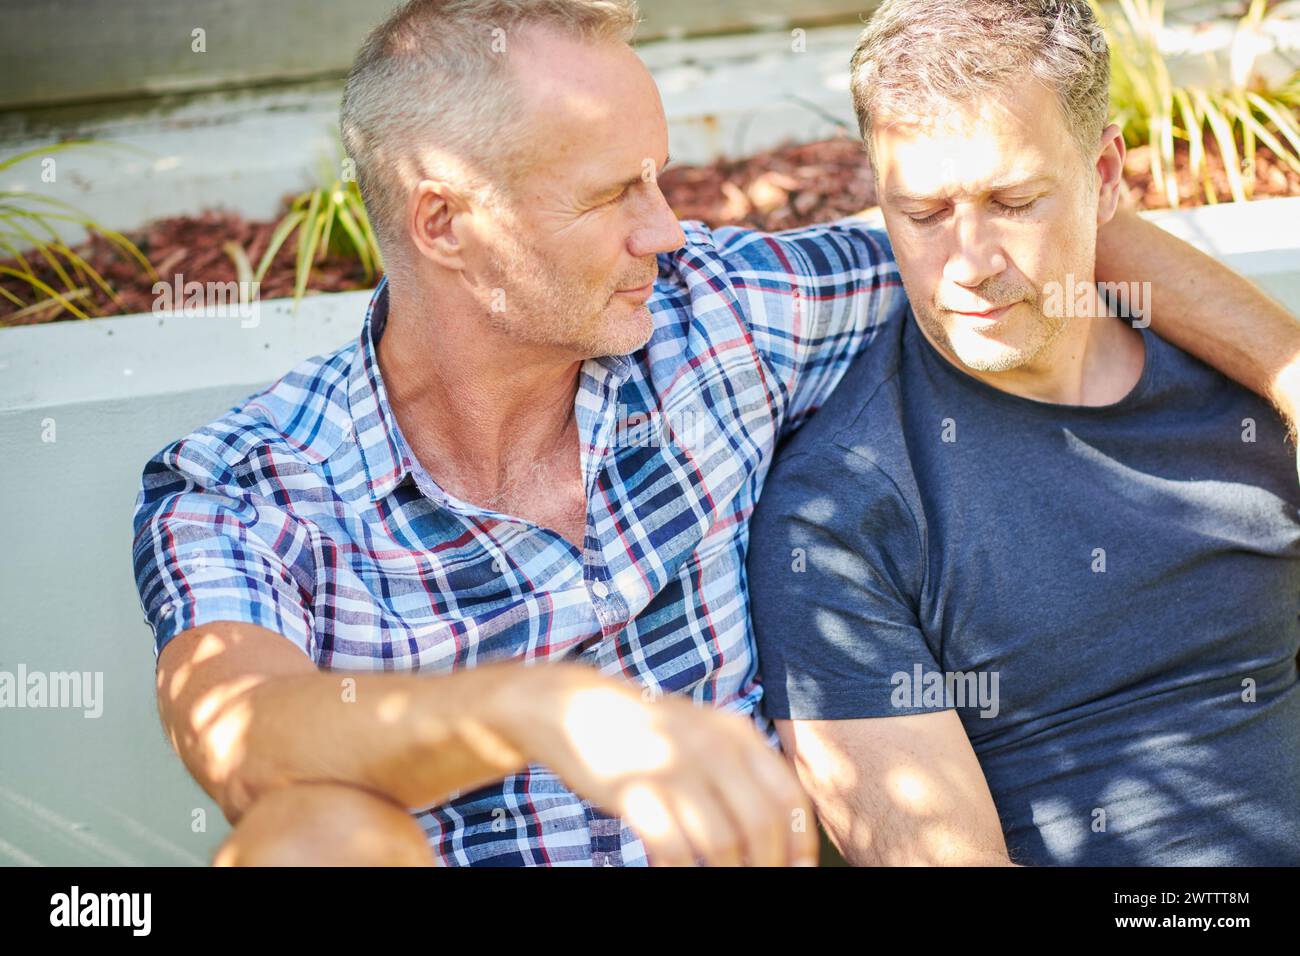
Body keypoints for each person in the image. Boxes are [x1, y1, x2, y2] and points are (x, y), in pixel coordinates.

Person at [133, 0, 1300, 866]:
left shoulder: (714, 321)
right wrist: (538, 707)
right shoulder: (246, 485)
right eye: (613, 195)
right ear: (446, 221)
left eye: (663, 178)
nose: (670, 229)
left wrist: (1286, 370)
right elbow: (246, 739)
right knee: (310, 839)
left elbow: (1015, 222)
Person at [746, 0, 1300, 866]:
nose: (968, 263)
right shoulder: (841, 514)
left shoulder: (1244, 389)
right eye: (923, 213)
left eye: (1013, 201)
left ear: (1107, 174)